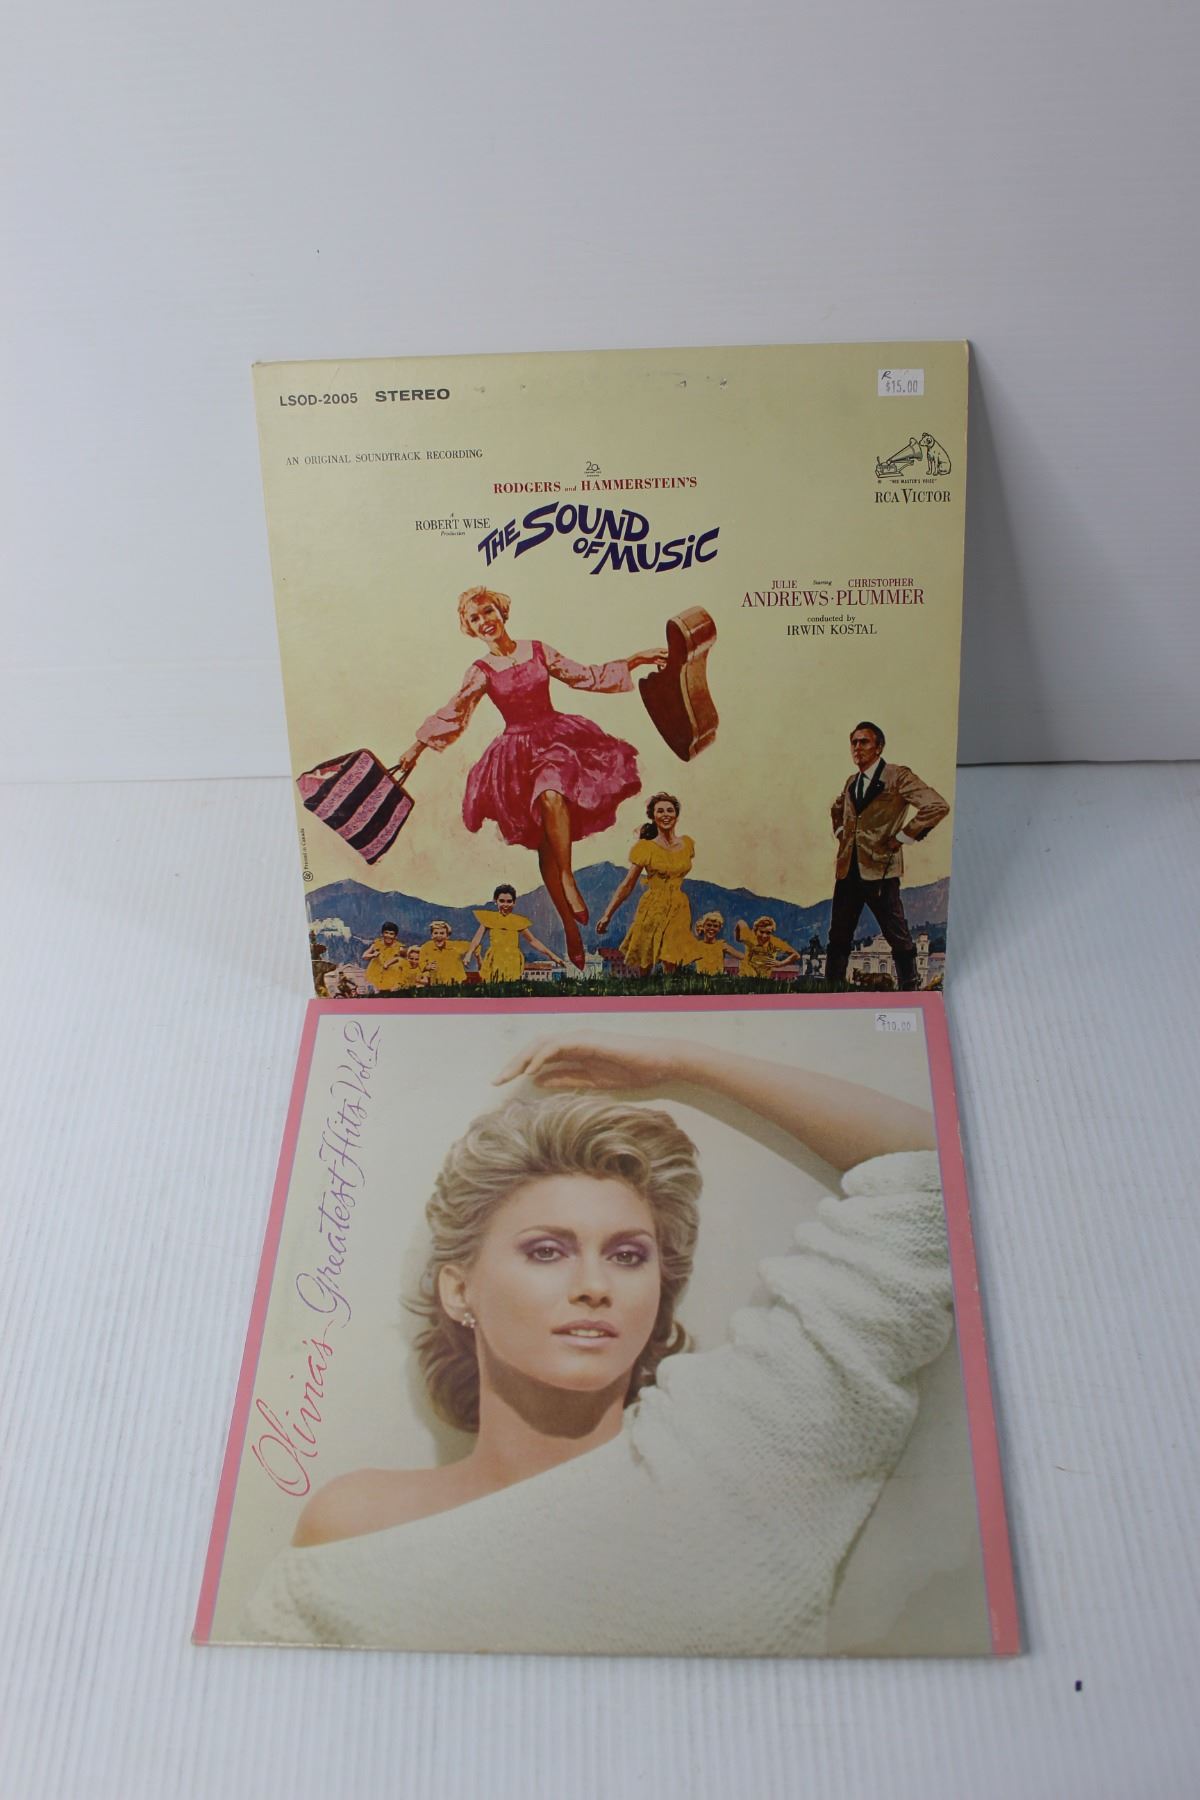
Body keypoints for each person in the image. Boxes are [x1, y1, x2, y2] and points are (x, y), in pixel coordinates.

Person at [242, 1030, 954, 1655]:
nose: (594, 1285)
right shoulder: (359, 1522)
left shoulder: (734, 1451)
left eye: (627, 1255)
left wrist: (684, 1061)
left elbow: (932, 1175)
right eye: (547, 1251)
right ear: (460, 1291)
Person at [391, 587, 666, 969]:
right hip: (515, 757)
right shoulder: (481, 671)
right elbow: (454, 712)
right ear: (469, 628)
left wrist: (636, 659)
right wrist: (416, 748)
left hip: (556, 740)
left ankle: (568, 876)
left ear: (501, 612)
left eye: (488, 611)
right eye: (474, 618)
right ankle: (569, 928)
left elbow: (584, 676)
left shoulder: (537, 650)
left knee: (552, 793)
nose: (484, 621)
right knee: (544, 845)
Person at [826, 721, 949, 992]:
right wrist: (840, 832)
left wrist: (903, 837)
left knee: (897, 934)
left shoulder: (898, 776)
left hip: (881, 871)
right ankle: (829, 991)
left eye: (864, 742)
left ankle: (909, 987)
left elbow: (936, 805)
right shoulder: (852, 781)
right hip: (847, 871)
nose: (857, 748)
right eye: (854, 742)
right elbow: (838, 808)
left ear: (879, 747)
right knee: (838, 935)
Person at [595, 793, 696, 977]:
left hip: (679, 906)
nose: (666, 815)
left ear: (676, 815)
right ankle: (643, 986)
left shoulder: (687, 844)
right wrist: (607, 915)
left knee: (672, 953)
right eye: (660, 811)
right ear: (653, 816)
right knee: (645, 954)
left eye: (670, 810)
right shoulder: (645, 848)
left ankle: (669, 987)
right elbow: (627, 885)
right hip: (653, 906)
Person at [467, 883, 564, 982]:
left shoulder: (517, 922)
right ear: (496, 901)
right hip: (494, 959)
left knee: (511, 986)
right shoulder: (489, 919)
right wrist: (469, 954)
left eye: (509, 901)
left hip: (512, 961)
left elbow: (533, 941)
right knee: (494, 985)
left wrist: (552, 956)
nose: (505, 905)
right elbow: (476, 939)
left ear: (514, 903)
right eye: (502, 901)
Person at [735, 915, 800, 980]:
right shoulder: (749, 936)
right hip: (747, 971)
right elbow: (740, 922)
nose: (764, 936)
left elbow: (796, 955)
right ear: (755, 930)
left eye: (768, 933)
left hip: (764, 975)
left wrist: (780, 964)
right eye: (761, 932)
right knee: (751, 978)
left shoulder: (775, 942)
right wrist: (738, 938)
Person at [418, 920, 472, 987]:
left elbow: (474, 946)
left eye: (442, 933)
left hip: (457, 983)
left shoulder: (455, 946)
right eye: (435, 933)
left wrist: (468, 955)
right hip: (436, 983)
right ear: (431, 935)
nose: (438, 935)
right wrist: (427, 967)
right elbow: (421, 962)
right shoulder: (427, 947)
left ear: (447, 936)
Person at [687, 910, 736, 976]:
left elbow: (742, 957)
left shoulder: (722, 945)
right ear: (703, 926)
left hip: (717, 980)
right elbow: (683, 961)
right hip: (701, 979)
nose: (712, 928)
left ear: (719, 929)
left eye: (715, 926)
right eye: (709, 925)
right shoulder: (697, 946)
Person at [362, 922, 407, 993]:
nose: (388, 936)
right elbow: (364, 956)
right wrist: (373, 955)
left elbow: (404, 960)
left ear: (395, 936)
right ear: (382, 934)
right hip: (376, 973)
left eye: (391, 934)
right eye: (386, 933)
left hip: (391, 975)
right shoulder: (377, 944)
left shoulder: (399, 948)